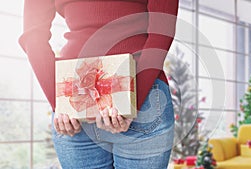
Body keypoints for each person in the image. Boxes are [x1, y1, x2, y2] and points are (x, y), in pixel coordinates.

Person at [19, 0, 179, 168]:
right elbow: (162, 28)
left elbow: (33, 35)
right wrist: (61, 102)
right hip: (139, 90)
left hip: (79, 96)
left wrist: (61, 101)